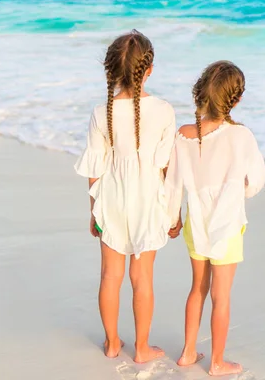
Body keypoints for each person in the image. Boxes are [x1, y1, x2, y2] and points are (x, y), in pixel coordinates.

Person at [74, 30, 176, 363]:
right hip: (148, 199)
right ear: (149, 69)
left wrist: (94, 211)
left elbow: (95, 165)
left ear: (111, 70)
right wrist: (172, 211)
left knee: (109, 275)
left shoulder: (101, 111)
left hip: (112, 197)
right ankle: (142, 348)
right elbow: (165, 167)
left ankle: (113, 342)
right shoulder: (163, 110)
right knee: (142, 277)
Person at [166, 61, 265, 376]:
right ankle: (218, 362)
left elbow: (172, 184)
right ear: (235, 99)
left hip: (195, 221)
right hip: (227, 224)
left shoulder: (183, 135)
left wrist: (172, 218)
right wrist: (238, 191)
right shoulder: (241, 136)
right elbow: (256, 181)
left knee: (198, 287)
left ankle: (187, 353)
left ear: (201, 92)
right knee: (221, 296)